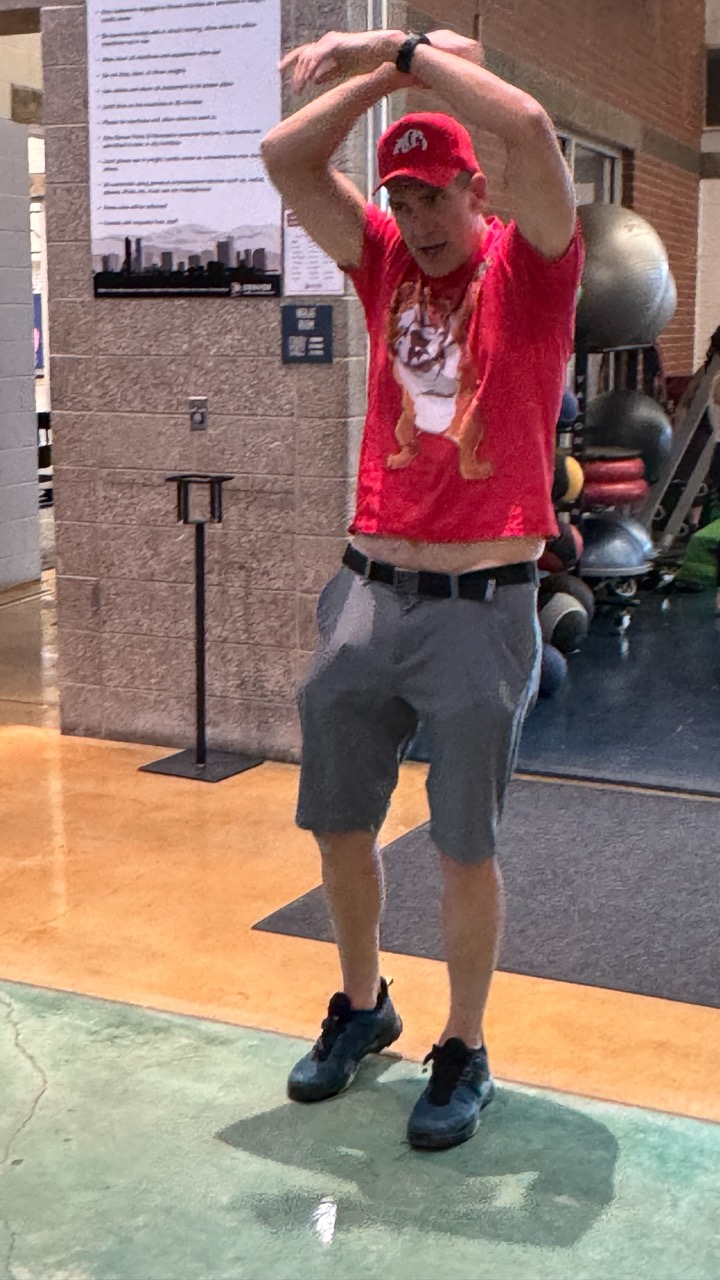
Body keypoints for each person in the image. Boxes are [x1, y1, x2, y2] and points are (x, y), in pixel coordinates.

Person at [262, 26, 582, 1151]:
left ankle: (465, 1045)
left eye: (435, 196)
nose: (417, 219)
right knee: (339, 821)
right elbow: (286, 158)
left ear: (476, 191)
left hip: (480, 607)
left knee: (461, 843)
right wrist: (374, 81)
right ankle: (364, 1006)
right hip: (366, 592)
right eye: (402, 199)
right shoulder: (385, 260)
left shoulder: (533, 267)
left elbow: (529, 123)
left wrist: (395, 47)